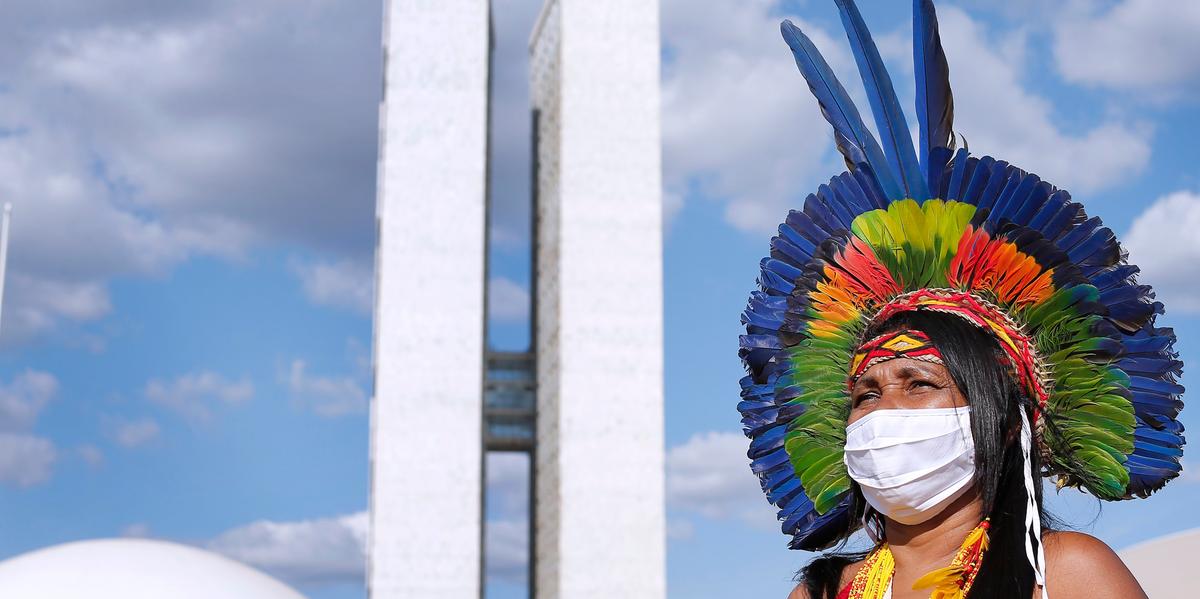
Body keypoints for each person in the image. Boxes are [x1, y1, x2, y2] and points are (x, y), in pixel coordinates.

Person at [735, 1, 1186, 598]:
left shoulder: (1066, 573)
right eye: (865, 393)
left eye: (918, 383)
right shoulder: (819, 594)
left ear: (1002, 422)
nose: (880, 411)